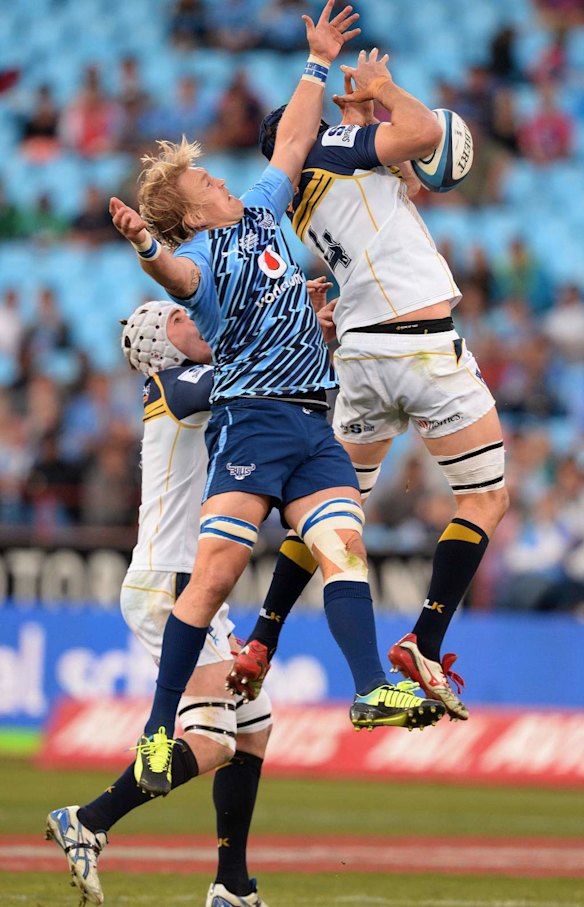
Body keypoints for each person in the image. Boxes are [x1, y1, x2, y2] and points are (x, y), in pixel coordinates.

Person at [109, 1, 446, 796]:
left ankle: (370, 689)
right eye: (206, 181)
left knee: (344, 546)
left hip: (312, 422)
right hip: (253, 422)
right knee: (215, 576)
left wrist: (317, 63)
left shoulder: (261, 210)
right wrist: (147, 246)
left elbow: (294, 139)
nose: (220, 179)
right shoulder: (202, 258)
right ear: (191, 211)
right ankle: (156, 727)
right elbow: (174, 277)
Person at [232, 49, 510, 722]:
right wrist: (383, 89)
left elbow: (398, 180)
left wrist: (360, 115)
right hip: (419, 342)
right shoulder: (331, 151)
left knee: (331, 507)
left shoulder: (301, 195)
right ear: (306, 132)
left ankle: (263, 636)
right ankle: (425, 640)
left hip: (360, 357)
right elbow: (425, 134)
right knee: (485, 496)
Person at [46, 300, 273, 907]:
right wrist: (291, 325)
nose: (195, 319)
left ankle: (232, 885)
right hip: (169, 585)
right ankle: (89, 820)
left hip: (191, 582)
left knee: (254, 727)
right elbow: (246, 371)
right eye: (179, 318)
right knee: (215, 741)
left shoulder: (185, 388)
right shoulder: (171, 385)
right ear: (159, 343)